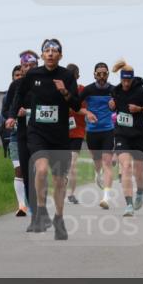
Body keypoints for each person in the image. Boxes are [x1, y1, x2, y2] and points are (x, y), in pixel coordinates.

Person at [6, 38, 80, 239]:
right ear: (42, 54)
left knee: (58, 179)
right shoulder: (33, 75)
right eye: (46, 50)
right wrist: (12, 115)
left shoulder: (66, 76)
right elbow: (18, 96)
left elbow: (75, 104)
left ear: (60, 55)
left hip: (59, 135)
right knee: (40, 169)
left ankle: (59, 218)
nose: (50, 53)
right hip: (37, 132)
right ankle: (40, 211)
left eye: (54, 51)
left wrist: (64, 91)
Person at [109, 60, 143, 216]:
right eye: (124, 79)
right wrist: (112, 105)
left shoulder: (141, 91)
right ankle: (128, 205)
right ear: (121, 78)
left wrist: (140, 109)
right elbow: (113, 105)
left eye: (129, 80)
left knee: (138, 172)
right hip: (122, 134)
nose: (126, 83)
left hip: (139, 135)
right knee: (126, 167)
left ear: (132, 78)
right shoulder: (116, 91)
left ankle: (140, 192)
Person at [2, 54, 38, 219]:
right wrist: (13, 116)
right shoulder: (14, 86)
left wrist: (28, 112)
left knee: (34, 172)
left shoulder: (41, 85)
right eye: (25, 66)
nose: (27, 69)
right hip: (18, 134)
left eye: (32, 65)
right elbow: (7, 110)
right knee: (19, 170)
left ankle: (34, 203)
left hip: (38, 133)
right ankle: (22, 205)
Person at [80, 62, 116, 208]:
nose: (102, 76)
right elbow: (75, 106)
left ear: (108, 74)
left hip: (108, 130)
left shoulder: (114, 90)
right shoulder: (88, 90)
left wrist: (116, 105)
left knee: (107, 163)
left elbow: (122, 105)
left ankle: (105, 198)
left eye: (104, 73)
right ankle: (97, 173)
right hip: (92, 131)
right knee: (97, 162)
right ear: (94, 74)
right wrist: (87, 113)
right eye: (99, 73)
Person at [64, 63, 87, 205]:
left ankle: (71, 194)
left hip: (77, 132)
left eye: (73, 77)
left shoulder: (82, 90)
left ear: (78, 77)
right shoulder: (59, 90)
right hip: (61, 133)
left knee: (72, 164)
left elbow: (82, 109)